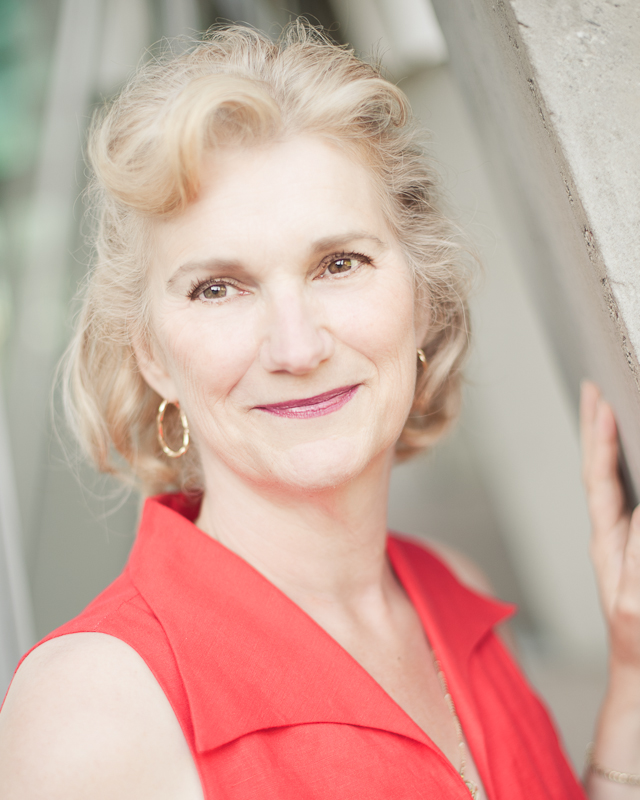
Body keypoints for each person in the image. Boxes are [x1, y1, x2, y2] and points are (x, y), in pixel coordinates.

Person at [0, 21, 638, 800]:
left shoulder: (453, 596)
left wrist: (633, 675)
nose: (296, 347)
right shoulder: (94, 712)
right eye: (217, 288)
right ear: (152, 356)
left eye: (339, 263)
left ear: (421, 300)